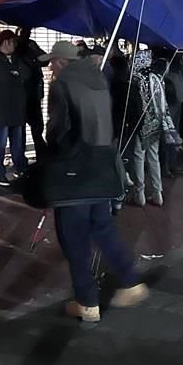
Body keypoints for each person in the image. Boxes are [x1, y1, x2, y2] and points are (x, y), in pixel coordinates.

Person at [41, 41, 148, 323]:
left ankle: (87, 301)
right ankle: (130, 279)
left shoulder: (61, 85)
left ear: (61, 62)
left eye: (52, 62)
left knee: (74, 238)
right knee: (103, 228)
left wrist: (51, 152)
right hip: (102, 165)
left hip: (75, 170)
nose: (50, 67)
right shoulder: (98, 79)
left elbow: (58, 130)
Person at [0, 30, 30, 186]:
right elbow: (4, 78)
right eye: (14, 42)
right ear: (5, 42)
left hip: (18, 107)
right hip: (3, 108)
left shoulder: (16, 58)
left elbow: (25, 74)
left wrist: (16, 73)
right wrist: (15, 74)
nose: (16, 45)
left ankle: (19, 168)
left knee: (17, 142)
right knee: (1, 141)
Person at [129, 51, 172, 207]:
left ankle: (139, 193)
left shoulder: (136, 79)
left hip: (141, 123)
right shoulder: (158, 77)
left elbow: (133, 104)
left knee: (139, 157)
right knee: (154, 157)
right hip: (157, 122)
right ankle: (157, 193)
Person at [16, 27, 47, 156]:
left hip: (33, 93)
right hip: (21, 94)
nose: (26, 35)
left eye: (27, 32)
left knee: (37, 129)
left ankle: (41, 157)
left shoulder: (31, 45)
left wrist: (33, 51)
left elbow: (45, 60)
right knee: (20, 131)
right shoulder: (16, 47)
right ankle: (20, 161)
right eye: (23, 32)